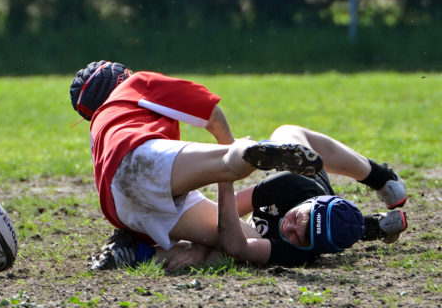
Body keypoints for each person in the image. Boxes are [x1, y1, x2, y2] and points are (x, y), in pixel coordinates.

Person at [69, 61, 406, 270]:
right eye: (300, 221)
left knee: (222, 252)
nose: (292, 228)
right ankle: (378, 176)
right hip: (140, 167)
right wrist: (224, 169)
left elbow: (237, 243)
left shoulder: (297, 253)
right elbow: (210, 112)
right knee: (283, 136)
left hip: (117, 201)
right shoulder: (297, 188)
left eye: (299, 237)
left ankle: (135, 252)